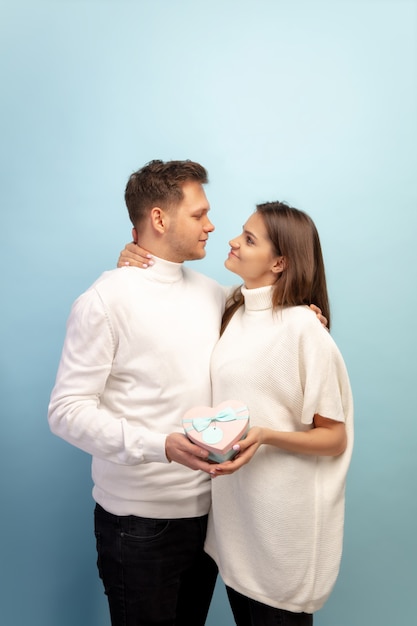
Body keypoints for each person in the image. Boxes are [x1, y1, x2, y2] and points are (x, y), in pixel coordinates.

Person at [48, 159, 225, 626]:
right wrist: (158, 445)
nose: (211, 226)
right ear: (160, 219)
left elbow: (268, 327)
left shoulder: (214, 294)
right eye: (198, 214)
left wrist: (308, 313)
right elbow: (66, 411)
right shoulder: (105, 300)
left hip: (210, 517)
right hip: (139, 526)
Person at [203, 202, 354, 625]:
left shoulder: (304, 329)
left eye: (249, 239)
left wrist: (265, 435)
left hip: (281, 534)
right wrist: (132, 251)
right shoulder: (232, 312)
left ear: (280, 262)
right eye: (241, 232)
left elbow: (334, 437)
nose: (233, 241)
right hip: (237, 526)